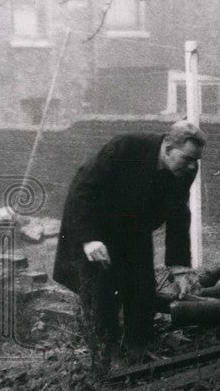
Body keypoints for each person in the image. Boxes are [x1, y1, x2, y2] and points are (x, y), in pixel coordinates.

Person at [53, 120, 205, 371]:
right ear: (167, 147)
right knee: (101, 293)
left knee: (141, 289)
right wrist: (90, 239)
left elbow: (179, 212)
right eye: (187, 158)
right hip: (96, 226)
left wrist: (179, 265)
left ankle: (137, 351)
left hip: (134, 231)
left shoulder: (186, 169)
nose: (192, 166)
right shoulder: (125, 148)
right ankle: (107, 357)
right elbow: (83, 189)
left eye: (195, 160)